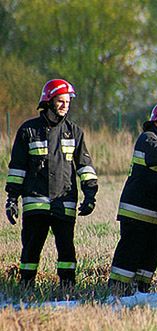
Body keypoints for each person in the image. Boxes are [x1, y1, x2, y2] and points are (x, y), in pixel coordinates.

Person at [4, 79, 98, 288]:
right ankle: (26, 287)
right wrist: (12, 198)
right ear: (48, 101)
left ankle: (68, 288)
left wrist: (90, 195)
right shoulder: (28, 131)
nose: (65, 105)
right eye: (60, 101)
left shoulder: (74, 132)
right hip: (35, 201)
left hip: (64, 201)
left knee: (66, 249)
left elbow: (85, 166)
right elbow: (17, 168)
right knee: (31, 248)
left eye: (67, 101)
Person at [108, 101, 157, 294]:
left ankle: (141, 289)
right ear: (156, 122)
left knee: (153, 252)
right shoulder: (147, 138)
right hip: (136, 210)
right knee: (130, 251)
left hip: (152, 213)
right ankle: (117, 288)